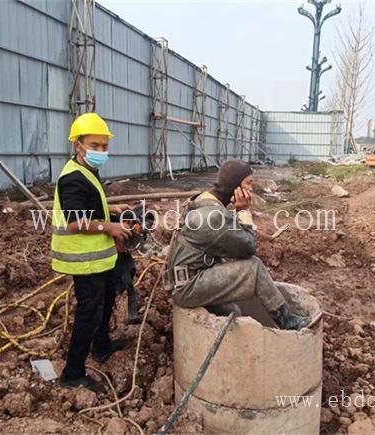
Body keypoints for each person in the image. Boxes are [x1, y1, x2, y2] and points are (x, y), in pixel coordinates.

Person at [166, 159, 310, 330]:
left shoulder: (202, 201)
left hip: (186, 279)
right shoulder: (213, 216)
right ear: (235, 185)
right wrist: (243, 212)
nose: (250, 189)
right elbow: (248, 248)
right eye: (248, 183)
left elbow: (226, 238)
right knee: (253, 268)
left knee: (233, 310)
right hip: (188, 288)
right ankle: (286, 321)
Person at [51, 113, 131, 391]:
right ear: (79, 145)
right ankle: (73, 374)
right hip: (84, 262)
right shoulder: (72, 178)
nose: (101, 151)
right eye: (95, 146)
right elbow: (75, 222)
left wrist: (110, 210)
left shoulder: (86, 170)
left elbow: (88, 205)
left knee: (107, 299)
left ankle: (102, 346)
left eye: (104, 146)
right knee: (90, 313)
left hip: (100, 259)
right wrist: (109, 226)